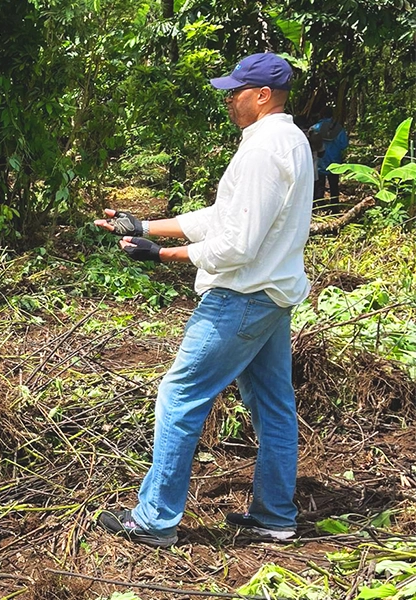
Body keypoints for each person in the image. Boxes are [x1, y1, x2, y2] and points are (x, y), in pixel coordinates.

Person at [92, 52, 313, 547]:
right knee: (274, 405)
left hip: (242, 298)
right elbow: (225, 215)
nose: (229, 98)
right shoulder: (289, 141)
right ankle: (275, 515)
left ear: (262, 95)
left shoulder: (262, 151)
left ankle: (155, 518)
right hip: (272, 297)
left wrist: (163, 254)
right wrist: (144, 224)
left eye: (236, 91)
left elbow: (236, 245)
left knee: (179, 395)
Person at [310, 107, 348, 202]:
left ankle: (319, 205)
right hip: (334, 161)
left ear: (321, 115)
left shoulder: (315, 128)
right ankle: (334, 206)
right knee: (334, 185)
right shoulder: (339, 128)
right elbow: (344, 145)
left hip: (319, 161)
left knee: (319, 185)